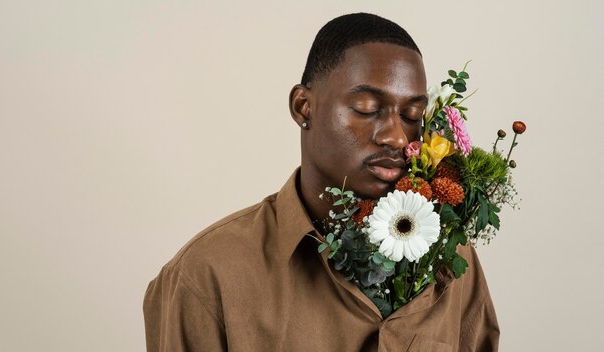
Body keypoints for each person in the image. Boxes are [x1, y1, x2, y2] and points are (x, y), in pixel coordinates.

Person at [143, 13, 500, 352]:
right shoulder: (207, 275)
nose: (396, 136)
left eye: (412, 115)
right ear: (303, 107)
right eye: (366, 107)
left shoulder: (451, 259)